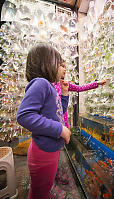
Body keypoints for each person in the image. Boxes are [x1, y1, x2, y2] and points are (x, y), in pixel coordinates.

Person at [17, 44, 71, 199]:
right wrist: (60, 130)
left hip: (49, 151)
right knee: (40, 193)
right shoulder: (40, 83)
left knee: (42, 189)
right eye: (60, 65)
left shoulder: (50, 87)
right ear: (47, 64)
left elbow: (58, 112)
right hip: (43, 153)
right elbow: (24, 115)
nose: (64, 69)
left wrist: (65, 94)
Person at [53, 61, 106, 185]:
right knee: (54, 153)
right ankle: (54, 176)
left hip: (64, 127)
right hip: (55, 127)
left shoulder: (64, 84)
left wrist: (96, 83)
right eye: (62, 66)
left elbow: (80, 88)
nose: (65, 69)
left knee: (59, 152)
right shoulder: (49, 85)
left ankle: (57, 175)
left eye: (66, 67)